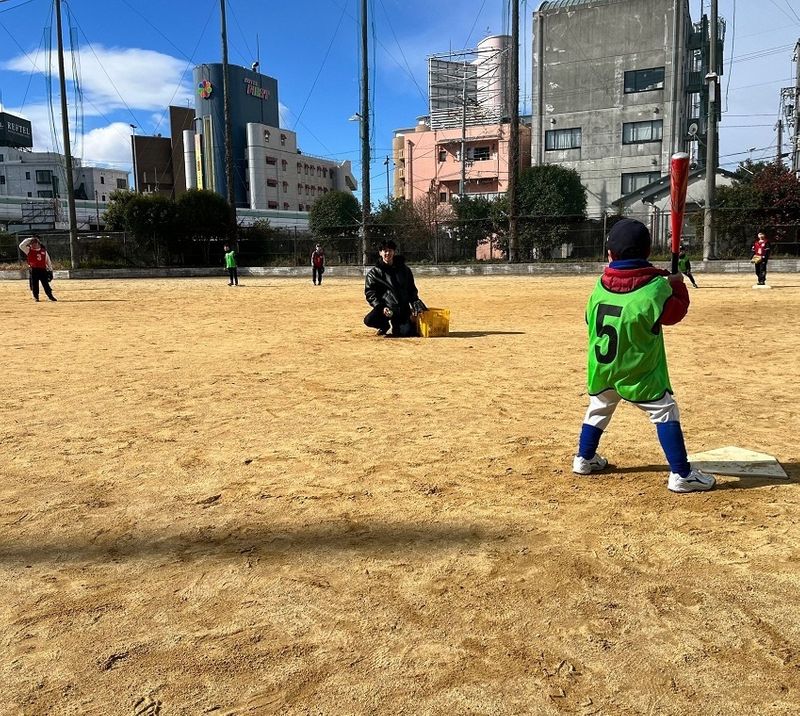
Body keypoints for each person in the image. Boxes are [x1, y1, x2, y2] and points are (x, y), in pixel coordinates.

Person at [571, 218, 715, 493]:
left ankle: (584, 458)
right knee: (665, 412)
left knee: (598, 409)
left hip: (602, 368)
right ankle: (682, 474)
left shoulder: (599, 287)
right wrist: (677, 285)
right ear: (647, 253)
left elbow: (589, 320)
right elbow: (676, 313)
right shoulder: (656, 288)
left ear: (609, 254)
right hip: (639, 372)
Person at [364, 240, 427, 337]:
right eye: (385, 251)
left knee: (405, 333)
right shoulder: (374, 274)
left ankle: (405, 323)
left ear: (394, 252)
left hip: (403, 308)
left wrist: (415, 302)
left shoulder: (405, 270)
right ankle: (384, 326)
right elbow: (370, 293)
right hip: (386, 308)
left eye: (390, 250)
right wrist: (380, 306)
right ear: (380, 253)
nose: (387, 253)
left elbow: (411, 288)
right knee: (369, 320)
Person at [19, 235, 57, 302]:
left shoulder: (43, 251)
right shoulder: (28, 250)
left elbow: (48, 261)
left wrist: (50, 270)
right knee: (34, 284)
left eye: (34, 243)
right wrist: (30, 239)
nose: (33, 245)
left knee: (46, 284)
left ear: (38, 244)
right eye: (31, 244)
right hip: (34, 270)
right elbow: (21, 245)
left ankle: (50, 295)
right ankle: (36, 297)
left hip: (42, 270)